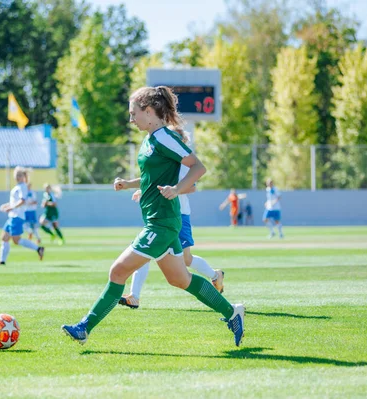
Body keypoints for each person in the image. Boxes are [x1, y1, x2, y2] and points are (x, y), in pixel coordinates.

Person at [61, 86, 244, 347]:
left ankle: (84, 327)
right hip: (158, 221)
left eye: (133, 113)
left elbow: (198, 167)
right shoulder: (150, 140)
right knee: (180, 279)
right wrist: (130, 184)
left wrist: (177, 189)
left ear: (149, 111)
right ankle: (232, 312)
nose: (131, 119)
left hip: (162, 223)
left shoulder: (165, 137)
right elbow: (152, 178)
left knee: (117, 271)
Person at [118, 159, 225, 310]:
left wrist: (173, 190)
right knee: (144, 252)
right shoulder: (163, 158)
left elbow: (192, 187)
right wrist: (130, 185)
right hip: (161, 216)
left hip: (179, 215)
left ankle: (215, 276)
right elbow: (152, 179)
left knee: (186, 259)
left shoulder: (179, 162)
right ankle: (134, 296)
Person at [0, 166, 45, 266]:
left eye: (20, 175)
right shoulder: (17, 187)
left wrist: (11, 207)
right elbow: (15, 201)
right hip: (12, 216)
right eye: (16, 175)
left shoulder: (23, 186)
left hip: (17, 216)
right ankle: (2, 261)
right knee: (4, 237)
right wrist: (7, 205)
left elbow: (22, 201)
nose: (17, 177)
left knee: (16, 240)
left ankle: (38, 249)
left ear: (23, 176)